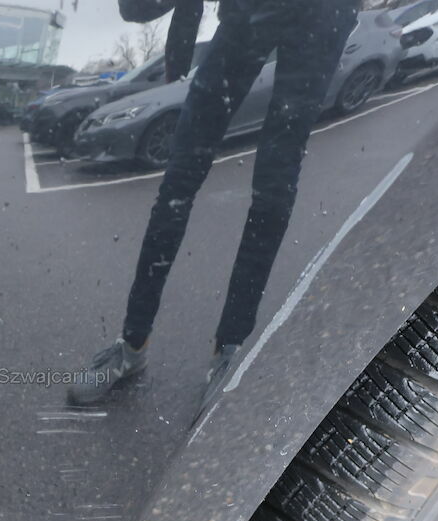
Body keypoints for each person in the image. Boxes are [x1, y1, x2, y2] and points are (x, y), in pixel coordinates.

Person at [68, 0, 360, 408]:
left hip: (324, 12)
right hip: (248, 11)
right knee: (178, 181)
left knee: (274, 187)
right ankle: (132, 345)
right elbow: (134, 10)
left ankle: (229, 349)